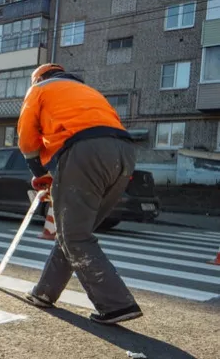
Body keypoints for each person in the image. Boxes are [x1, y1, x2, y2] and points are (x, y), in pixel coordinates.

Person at [17, 63, 142, 325]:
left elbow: (27, 138)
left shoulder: (40, 89)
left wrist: (39, 172)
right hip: (124, 154)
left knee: (74, 235)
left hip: (85, 151)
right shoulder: (87, 92)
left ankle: (117, 305)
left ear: (39, 78)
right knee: (74, 232)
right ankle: (44, 293)